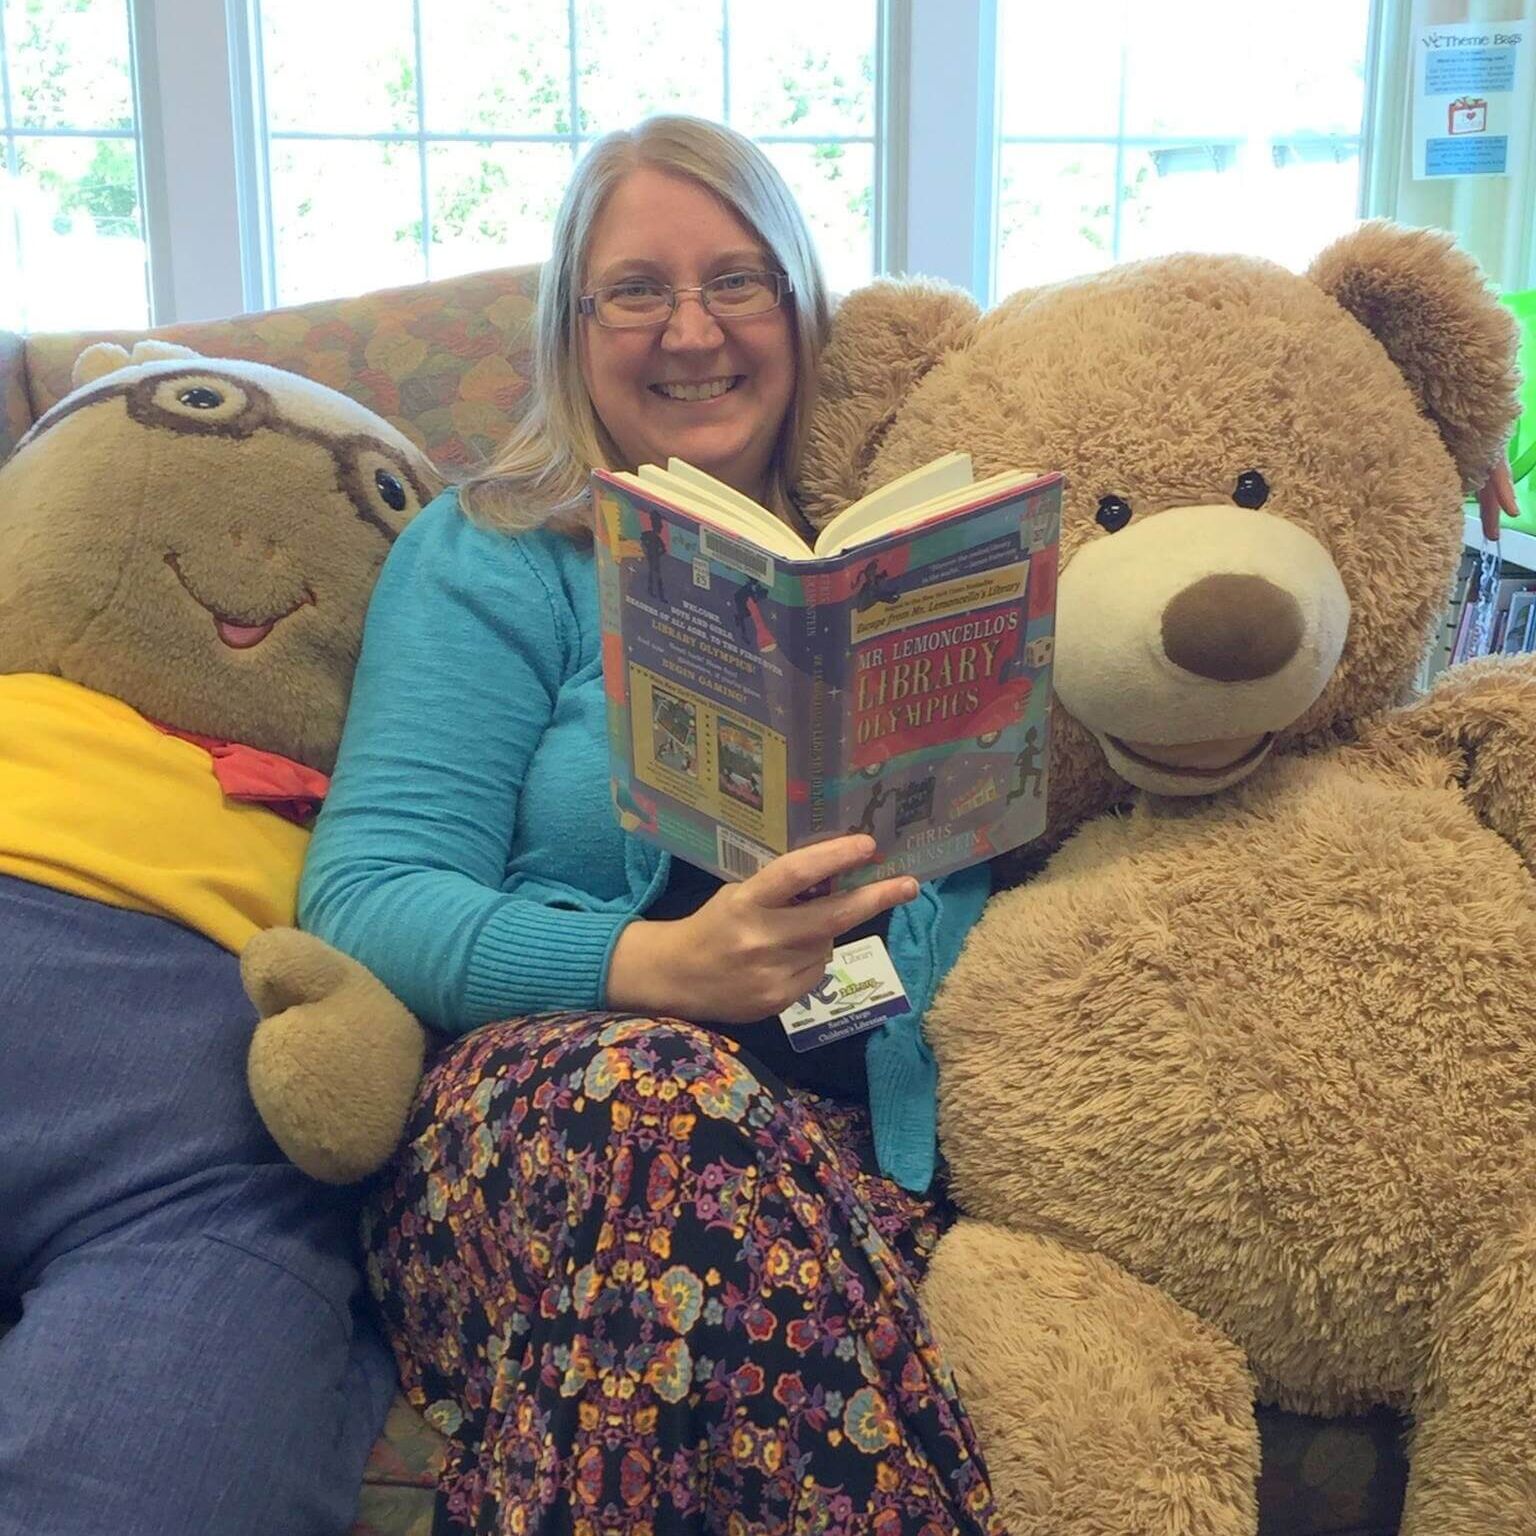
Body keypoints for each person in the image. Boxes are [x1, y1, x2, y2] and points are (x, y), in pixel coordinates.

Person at [300, 115, 1007, 1535]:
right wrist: (657, 970)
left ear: (801, 308)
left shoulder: (907, 559)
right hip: (539, 1145)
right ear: (575, 326)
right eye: (637, 290)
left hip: (840, 1167)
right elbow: (364, 893)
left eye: (738, 281)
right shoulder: (495, 550)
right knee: (666, 1103)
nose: (693, 331)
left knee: (711, 1200)